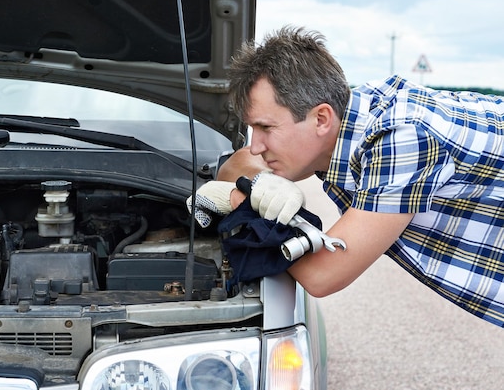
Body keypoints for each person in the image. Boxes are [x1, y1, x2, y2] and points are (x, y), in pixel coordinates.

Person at [189, 26, 504, 328]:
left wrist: (238, 201)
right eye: (252, 129)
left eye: (266, 128)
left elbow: (323, 275)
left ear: (321, 118)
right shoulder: (351, 113)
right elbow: (240, 164)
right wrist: (259, 185)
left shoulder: (401, 140)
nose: (256, 144)